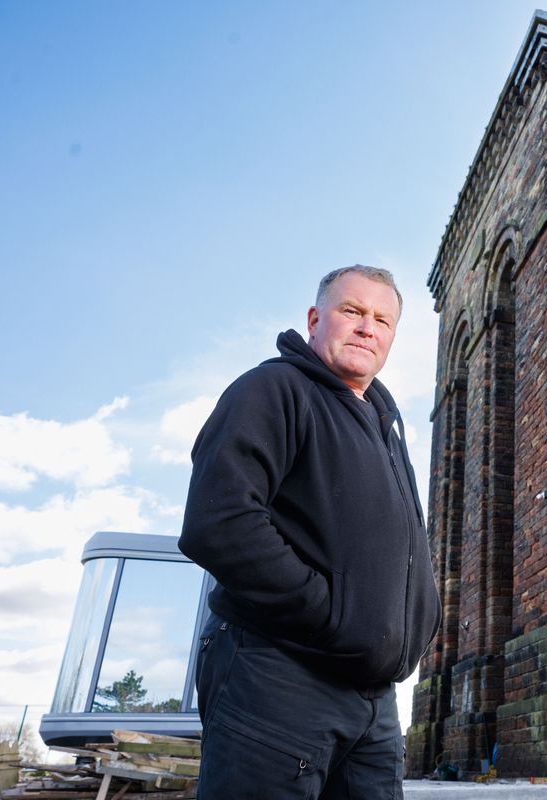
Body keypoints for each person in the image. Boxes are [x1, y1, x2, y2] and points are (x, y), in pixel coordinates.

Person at [179, 265, 441, 800]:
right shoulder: (272, 389)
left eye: (382, 320)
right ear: (316, 319)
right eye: (352, 311)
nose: (368, 328)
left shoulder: (386, 427)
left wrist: (418, 623)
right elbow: (220, 521)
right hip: (278, 679)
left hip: (374, 703)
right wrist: (331, 615)